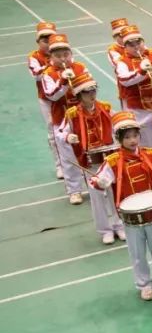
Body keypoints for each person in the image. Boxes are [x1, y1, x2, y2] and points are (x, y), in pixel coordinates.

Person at [90, 111, 152, 301]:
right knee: (137, 253)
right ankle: (144, 284)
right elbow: (97, 180)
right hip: (130, 216)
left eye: (135, 136)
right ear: (119, 139)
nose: (133, 140)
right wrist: (100, 182)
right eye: (127, 137)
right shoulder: (112, 161)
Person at [56, 72, 125, 244]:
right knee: (96, 196)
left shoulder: (106, 108)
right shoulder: (72, 114)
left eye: (94, 91)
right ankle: (105, 230)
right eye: (87, 92)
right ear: (79, 95)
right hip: (90, 161)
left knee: (114, 192)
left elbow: (118, 122)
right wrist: (67, 137)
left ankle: (119, 225)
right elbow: (60, 132)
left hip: (109, 158)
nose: (92, 95)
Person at [40, 33, 88, 203]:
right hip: (62, 119)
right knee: (68, 157)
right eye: (58, 56)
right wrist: (63, 82)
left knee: (88, 150)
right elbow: (51, 95)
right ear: (51, 56)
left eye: (65, 55)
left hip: (83, 116)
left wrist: (77, 83)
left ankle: (92, 183)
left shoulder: (80, 67)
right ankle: (74, 190)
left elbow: (89, 87)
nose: (63, 59)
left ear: (70, 53)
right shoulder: (48, 73)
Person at [114, 25, 152, 157]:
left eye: (138, 42)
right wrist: (141, 71)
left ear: (143, 41)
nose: (136, 46)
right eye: (131, 44)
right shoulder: (122, 61)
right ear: (125, 46)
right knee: (145, 144)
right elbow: (124, 80)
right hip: (139, 110)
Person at [28, 21, 62, 178]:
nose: (48, 43)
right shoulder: (34, 57)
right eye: (44, 40)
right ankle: (59, 164)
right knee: (53, 131)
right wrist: (53, 63)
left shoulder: (62, 52)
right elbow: (36, 74)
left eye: (51, 39)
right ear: (38, 42)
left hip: (65, 98)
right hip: (47, 99)